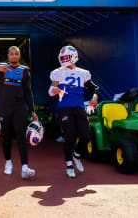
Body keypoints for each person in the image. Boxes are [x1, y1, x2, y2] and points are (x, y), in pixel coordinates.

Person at [0, 46, 38, 179]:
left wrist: (32, 111)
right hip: (4, 109)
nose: (13, 56)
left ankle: (24, 166)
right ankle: (8, 163)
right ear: (8, 56)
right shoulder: (1, 69)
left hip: (20, 108)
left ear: (18, 56)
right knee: (6, 137)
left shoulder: (24, 72)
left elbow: (28, 93)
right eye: (11, 54)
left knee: (21, 137)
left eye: (16, 54)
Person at [48, 45, 99, 178]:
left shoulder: (83, 73)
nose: (64, 60)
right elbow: (50, 91)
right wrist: (56, 90)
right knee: (69, 137)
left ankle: (77, 155)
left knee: (86, 135)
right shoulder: (57, 72)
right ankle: (69, 165)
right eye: (63, 58)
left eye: (67, 57)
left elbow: (93, 88)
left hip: (79, 107)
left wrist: (94, 97)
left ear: (74, 57)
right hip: (64, 108)